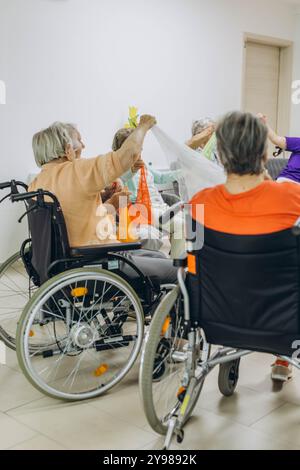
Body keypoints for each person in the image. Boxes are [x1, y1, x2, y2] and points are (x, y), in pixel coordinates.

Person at [190, 111, 300, 383]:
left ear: (221, 155)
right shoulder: (293, 199)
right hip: (283, 322)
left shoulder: (198, 204)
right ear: (264, 156)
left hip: (216, 319)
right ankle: (282, 360)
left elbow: (190, 258)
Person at [112, 128, 185, 258]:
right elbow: (120, 182)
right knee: (180, 225)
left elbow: (161, 178)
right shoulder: (118, 167)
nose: (139, 149)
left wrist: (184, 172)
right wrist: (133, 169)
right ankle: (175, 268)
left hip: (158, 207)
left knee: (188, 222)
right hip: (140, 209)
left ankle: (180, 262)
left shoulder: (142, 164)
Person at [258, 113, 300, 184]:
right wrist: (263, 123)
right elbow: (275, 139)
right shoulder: (298, 142)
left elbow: (276, 139)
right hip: (287, 181)